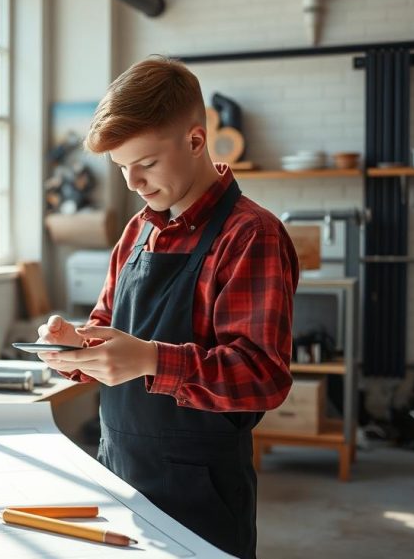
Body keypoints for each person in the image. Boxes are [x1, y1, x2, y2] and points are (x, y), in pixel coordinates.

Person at [36, 56, 299, 559]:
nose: (132, 183)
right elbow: (106, 326)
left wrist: (152, 359)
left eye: (146, 164)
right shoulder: (139, 230)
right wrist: (75, 346)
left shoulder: (250, 235)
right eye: (120, 168)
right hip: (118, 465)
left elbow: (264, 376)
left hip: (201, 492)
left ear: (196, 141)